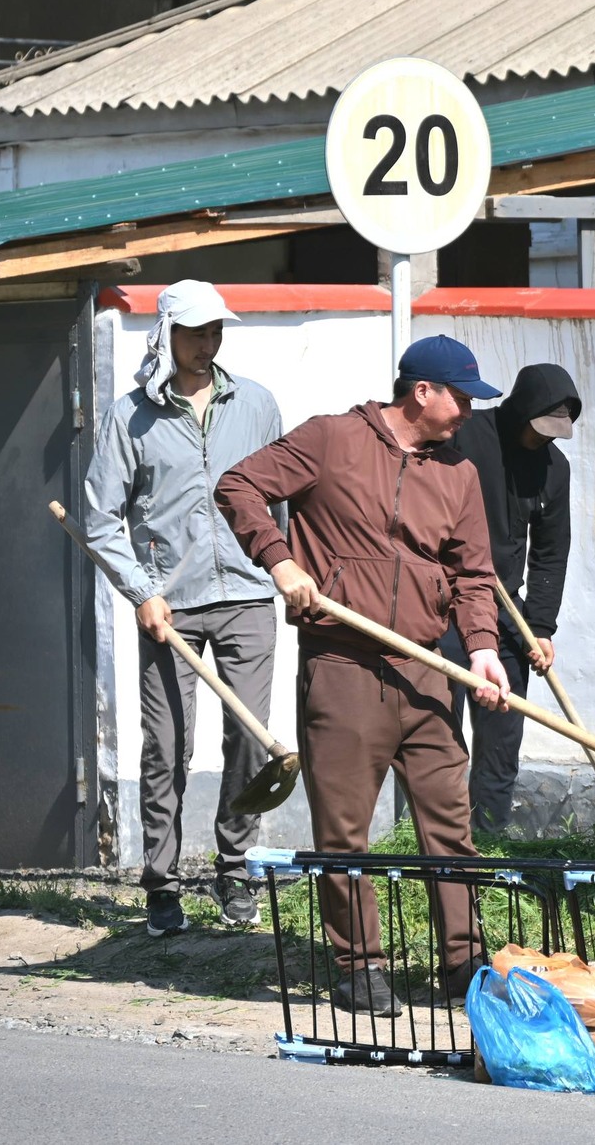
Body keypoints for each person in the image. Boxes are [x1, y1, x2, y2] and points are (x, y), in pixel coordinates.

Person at [215, 335, 511, 1017]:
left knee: (450, 821)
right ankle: (360, 967)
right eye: (461, 396)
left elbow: (472, 573)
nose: (469, 411)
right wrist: (282, 562)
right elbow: (239, 487)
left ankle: (462, 964)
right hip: (342, 666)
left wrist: (484, 648)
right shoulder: (331, 440)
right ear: (422, 392)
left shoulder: (458, 471)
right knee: (345, 830)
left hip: (426, 670)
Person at [80, 281, 285, 938]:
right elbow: (98, 518)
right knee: (167, 747)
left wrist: (285, 569)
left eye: (216, 329)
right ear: (166, 333)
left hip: (249, 597)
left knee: (254, 739)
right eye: (196, 330)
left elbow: (279, 500)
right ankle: (162, 882)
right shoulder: (129, 418)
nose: (208, 341)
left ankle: (234, 865)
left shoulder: (255, 404)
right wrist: (143, 590)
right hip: (171, 606)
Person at [440, 363, 580, 833]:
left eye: (555, 432)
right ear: (520, 411)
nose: (545, 440)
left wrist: (540, 628)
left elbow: (550, 552)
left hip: (505, 614)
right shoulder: (467, 437)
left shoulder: (553, 469)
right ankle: (439, 843)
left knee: (502, 736)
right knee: (438, 732)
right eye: (539, 429)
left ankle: (490, 840)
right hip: (442, 606)